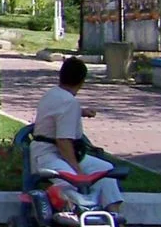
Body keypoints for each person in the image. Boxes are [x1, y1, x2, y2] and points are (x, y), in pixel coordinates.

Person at [32, 57, 121, 211]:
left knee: (106, 171)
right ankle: (80, 215)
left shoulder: (52, 94)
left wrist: (80, 112)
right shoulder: (69, 102)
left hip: (45, 153)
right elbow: (63, 142)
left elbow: (57, 114)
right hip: (49, 155)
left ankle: (114, 218)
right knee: (70, 182)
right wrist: (78, 171)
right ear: (81, 81)